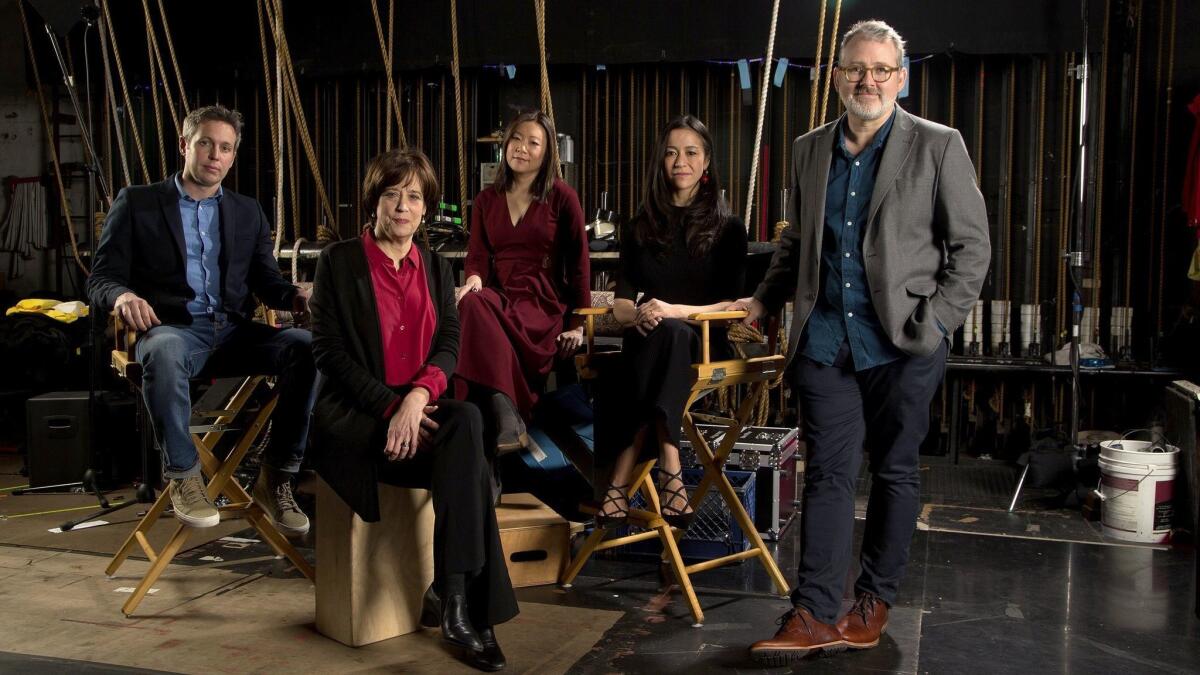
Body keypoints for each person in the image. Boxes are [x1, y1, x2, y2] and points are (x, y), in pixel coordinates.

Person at [737, 20, 991, 664]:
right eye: (855, 68)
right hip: (825, 342)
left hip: (904, 344)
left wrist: (934, 323)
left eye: (881, 70)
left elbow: (972, 247)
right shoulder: (808, 147)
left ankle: (872, 601)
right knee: (826, 474)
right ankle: (814, 611)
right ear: (836, 76)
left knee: (896, 473)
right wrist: (765, 301)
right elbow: (797, 242)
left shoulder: (938, 145)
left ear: (901, 78)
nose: (867, 80)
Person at [308, 148, 517, 671]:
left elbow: (449, 342)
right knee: (471, 453)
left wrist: (418, 397)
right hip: (359, 421)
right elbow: (328, 353)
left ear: (427, 209)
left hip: (418, 414)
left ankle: (454, 598)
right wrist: (391, 407)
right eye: (392, 193)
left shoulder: (436, 266)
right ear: (374, 202)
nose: (403, 205)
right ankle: (463, 608)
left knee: (466, 420)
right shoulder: (339, 262)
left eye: (415, 196)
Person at [88, 104, 315, 537]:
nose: (215, 155)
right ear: (184, 145)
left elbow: (267, 282)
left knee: (308, 348)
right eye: (206, 143)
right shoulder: (137, 203)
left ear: (232, 157)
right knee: (167, 348)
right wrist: (123, 294)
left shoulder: (247, 211)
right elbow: (101, 278)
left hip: (232, 332)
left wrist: (294, 295)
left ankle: (276, 476)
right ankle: (185, 477)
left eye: (225, 148)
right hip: (171, 330)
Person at [593, 115, 746, 527]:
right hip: (650, 340)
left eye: (691, 152)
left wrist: (673, 311)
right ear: (661, 162)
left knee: (673, 333)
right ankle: (670, 469)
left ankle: (623, 479)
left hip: (705, 340)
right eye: (671, 152)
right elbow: (622, 302)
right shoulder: (640, 226)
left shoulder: (728, 229)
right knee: (661, 335)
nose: (681, 160)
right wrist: (636, 315)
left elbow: (734, 304)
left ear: (707, 162)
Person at [454, 110, 590, 451]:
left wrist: (579, 324)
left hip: (542, 301)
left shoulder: (562, 196)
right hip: (501, 294)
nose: (522, 148)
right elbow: (479, 256)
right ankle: (505, 409)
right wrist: (473, 279)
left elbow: (579, 265)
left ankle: (506, 412)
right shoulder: (486, 200)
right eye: (516, 139)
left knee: (483, 321)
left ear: (546, 154)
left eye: (533, 143)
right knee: (472, 302)